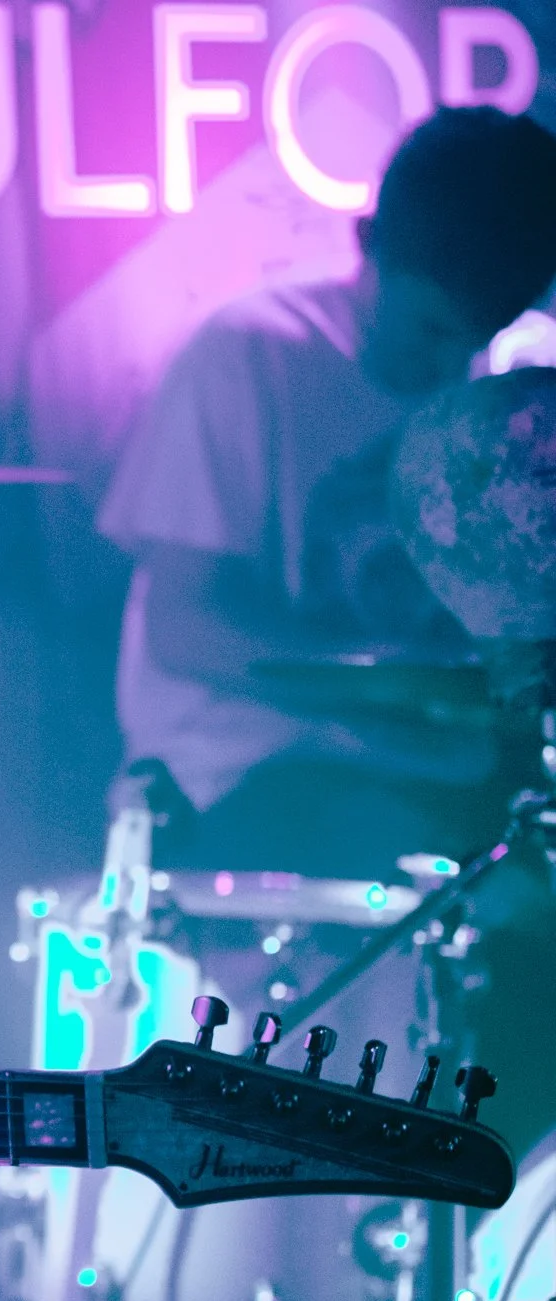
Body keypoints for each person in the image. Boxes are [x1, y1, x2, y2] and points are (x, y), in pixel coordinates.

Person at [100, 106, 556, 879]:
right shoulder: (249, 357)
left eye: (476, 338)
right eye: (431, 330)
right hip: (247, 774)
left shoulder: (508, 388)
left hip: (441, 778)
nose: (452, 365)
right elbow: (182, 627)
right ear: (366, 244)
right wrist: (388, 684)